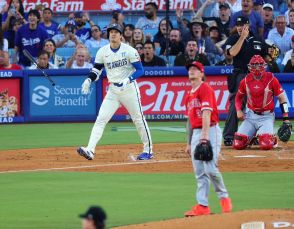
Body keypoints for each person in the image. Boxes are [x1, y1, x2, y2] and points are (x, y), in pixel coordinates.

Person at [77, 23, 153, 161]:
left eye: (116, 31)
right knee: (101, 119)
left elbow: (141, 70)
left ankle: (148, 150)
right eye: (111, 31)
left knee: (138, 119)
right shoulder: (102, 51)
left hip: (129, 89)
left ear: (121, 35)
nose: (113, 34)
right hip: (113, 90)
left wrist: (128, 80)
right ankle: (90, 150)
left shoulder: (130, 50)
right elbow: (96, 70)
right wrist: (88, 80)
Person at [184, 61, 232, 217]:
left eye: (195, 69)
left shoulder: (205, 89)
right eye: (190, 69)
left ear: (202, 73)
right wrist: (189, 143)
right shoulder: (189, 94)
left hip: (210, 130)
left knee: (210, 168)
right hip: (197, 133)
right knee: (199, 172)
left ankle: (224, 198)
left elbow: (207, 113)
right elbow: (190, 121)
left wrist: (204, 137)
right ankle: (202, 205)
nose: (191, 71)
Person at [223, 16, 269, 146]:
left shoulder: (257, 39)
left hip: (257, 77)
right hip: (241, 75)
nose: (239, 27)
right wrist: (242, 37)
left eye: (242, 25)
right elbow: (231, 53)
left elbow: (267, 56)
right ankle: (229, 136)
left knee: (258, 105)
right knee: (235, 104)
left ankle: (256, 135)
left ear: (247, 25)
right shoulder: (233, 38)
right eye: (238, 25)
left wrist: (271, 55)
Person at [233, 55, 291, 150]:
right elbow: (238, 97)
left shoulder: (271, 79)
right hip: (250, 115)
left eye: (259, 65)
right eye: (254, 65)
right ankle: (252, 137)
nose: (256, 67)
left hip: (266, 116)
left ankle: (272, 138)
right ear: (250, 66)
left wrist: (286, 118)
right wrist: (238, 110)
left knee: (266, 145)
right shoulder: (245, 80)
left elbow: (282, 98)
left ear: (264, 65)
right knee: (237, 144)